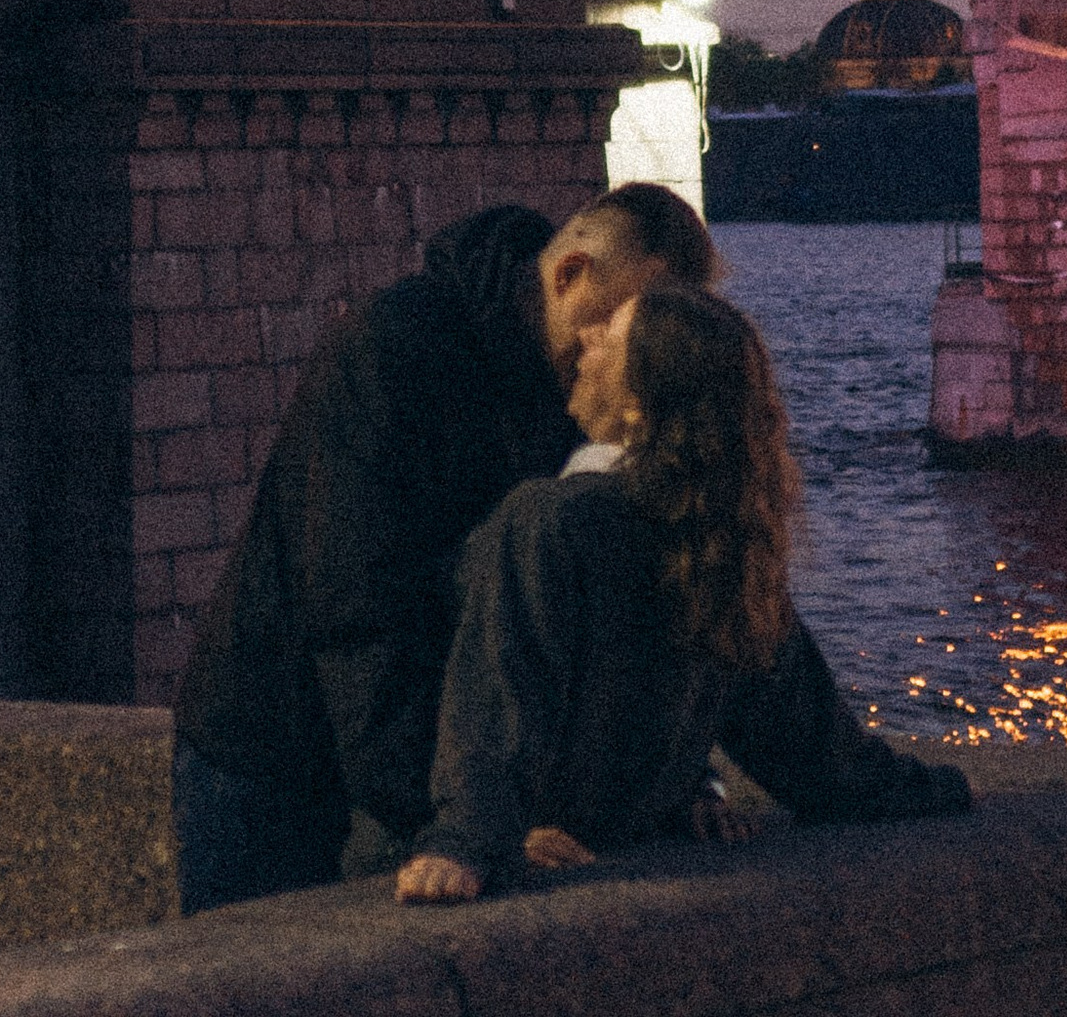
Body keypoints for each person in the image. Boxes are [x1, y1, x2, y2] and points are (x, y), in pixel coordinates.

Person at [172, 183, 717, 911]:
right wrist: (470, 822)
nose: (626, 346)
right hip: (274, 753)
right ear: (568, 273)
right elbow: (359, 613)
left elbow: (647, 611)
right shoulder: (394, 346)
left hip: (399, 758)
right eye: (622, 319)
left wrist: (692, 777)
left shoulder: (575, 385)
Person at [396, 284, 970, 900]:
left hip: (448, 837)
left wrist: (472, 840)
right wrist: (934, 791)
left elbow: (499, 689)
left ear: (639, 403)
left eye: (610, 335)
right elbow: (809, 745)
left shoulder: (550, 522)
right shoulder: (715, 541)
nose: (584, 337)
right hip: (589, 847)